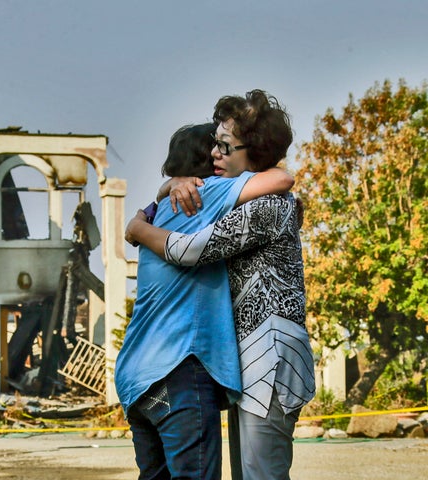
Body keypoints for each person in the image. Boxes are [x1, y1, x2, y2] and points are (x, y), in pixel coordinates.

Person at [125, 89, 316, 480]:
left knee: (261, 474)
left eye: (225, 146)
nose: (216, 154)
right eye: (215, 144)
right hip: (249, 358)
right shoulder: (233, 201)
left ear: (255, 153)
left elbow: (188, 250)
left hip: (271, 354)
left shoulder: (269, 205)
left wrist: (138, 226)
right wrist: (169, 188)